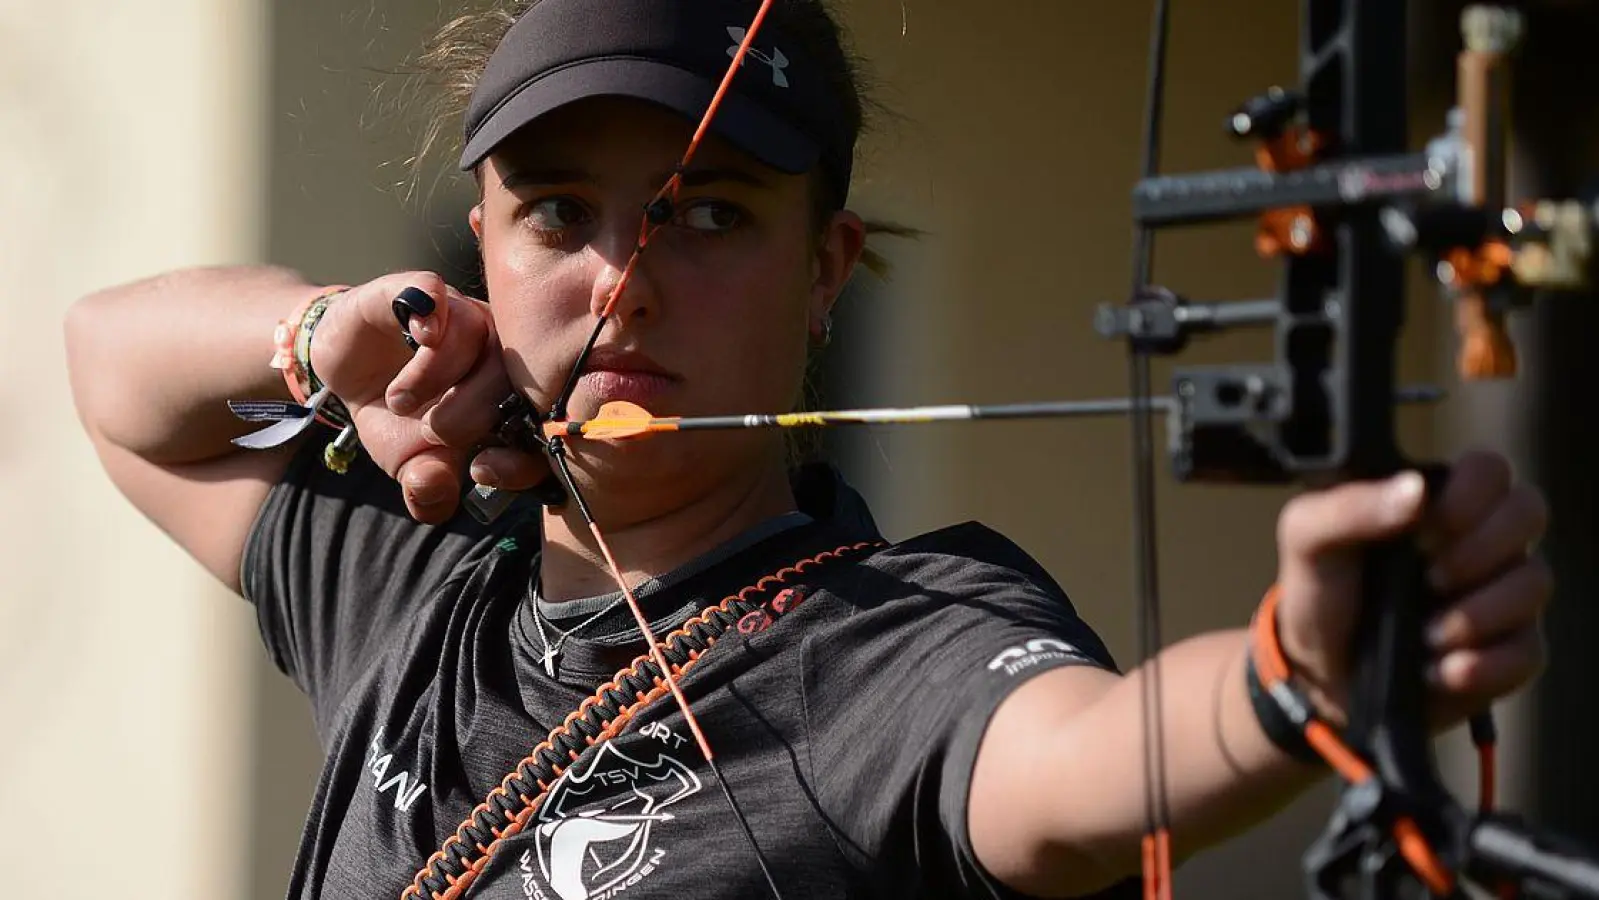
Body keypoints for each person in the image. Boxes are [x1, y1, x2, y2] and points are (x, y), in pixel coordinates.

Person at [64, 0, 1552, 898]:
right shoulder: (418, 581)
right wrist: (319, 334)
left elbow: (1081, 770)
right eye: (559, 213)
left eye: (707, 214)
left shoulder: (893, 644)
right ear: (483, 251)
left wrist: (1294, 676)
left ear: (826, 269)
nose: (623, 279)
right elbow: (111, 367)